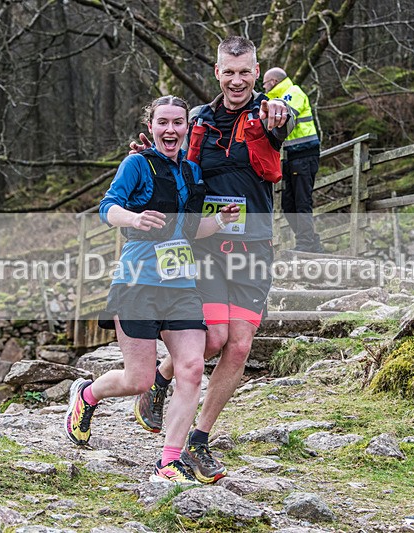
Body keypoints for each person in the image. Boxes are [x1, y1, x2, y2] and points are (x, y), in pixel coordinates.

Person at [132, 36, 295, 484]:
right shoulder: (199, 119)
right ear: (217, 72)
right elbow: (170, 161)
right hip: (205, 246)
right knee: (210, 341)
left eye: (245, 72)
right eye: (229, 71)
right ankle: (160, 384)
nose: (237, 80)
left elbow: (284, 120)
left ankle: (199, 441)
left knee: (239, 345)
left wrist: (282, 112)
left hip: (254, 244)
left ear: (257, 72)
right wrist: (143, 159)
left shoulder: (269, 113)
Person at [64, 95, 239, 483]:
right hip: (137, 283)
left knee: (192, 369)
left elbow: (193, 229)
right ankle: (87, 395)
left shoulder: (192, 172)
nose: (171, 129)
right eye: (163, 122)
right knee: (139, 380)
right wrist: (134, 217)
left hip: (180, 285)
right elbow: (107, 207)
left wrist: (221, 221)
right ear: (152, 126)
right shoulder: (136, 164)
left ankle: (169, 462)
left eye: (178, 122)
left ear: (187, 127)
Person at [263, 67, 324, 253]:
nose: (264, 88)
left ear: (273, 82)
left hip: (304, 155)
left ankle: (306, 243)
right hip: (292, 156)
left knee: (301, 200)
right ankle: (311, 241)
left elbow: (284, 118)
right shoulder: (276, 99)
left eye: (265, 84)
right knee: (289, 204)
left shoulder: (292, 93)